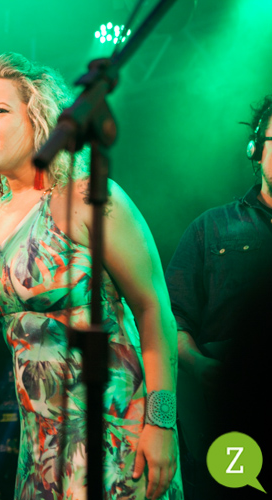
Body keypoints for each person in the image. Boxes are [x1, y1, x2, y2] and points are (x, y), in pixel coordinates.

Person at [0, 52, 182, 500]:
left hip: (116, 434)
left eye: (0, 111)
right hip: (40, 450)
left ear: (40, 122)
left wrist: (161, 422)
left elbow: (154, 309)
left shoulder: (87, 198)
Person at [165, 95, 271, 499]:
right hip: (234, 422)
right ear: (255, 150)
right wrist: (200, 366)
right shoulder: (210, 229)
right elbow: (171, 319)